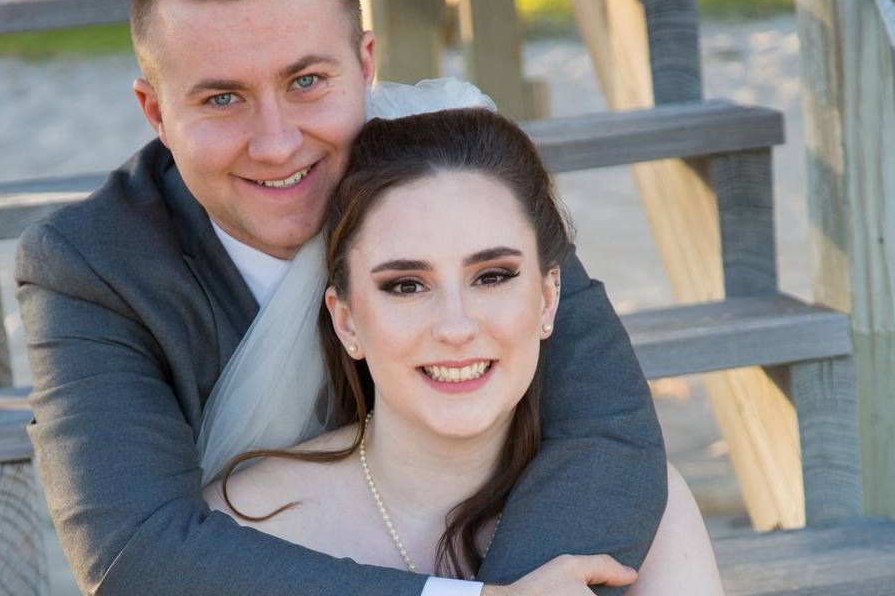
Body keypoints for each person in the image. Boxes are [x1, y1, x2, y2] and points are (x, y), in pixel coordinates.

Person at [15, 0, 667, 594]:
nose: (275, 144)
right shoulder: (91, 265)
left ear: (365, 64)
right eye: (221, 98)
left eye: (306, 83)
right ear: (156, 112)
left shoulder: (456, 173)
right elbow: (137, 555)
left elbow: (607, 429)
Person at [203, 108, 724, 596]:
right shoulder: (248, 522)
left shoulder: (645, 500)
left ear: (547, 299)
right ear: (347, 321)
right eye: (406, 285)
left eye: (492, 277)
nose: (455, 327)